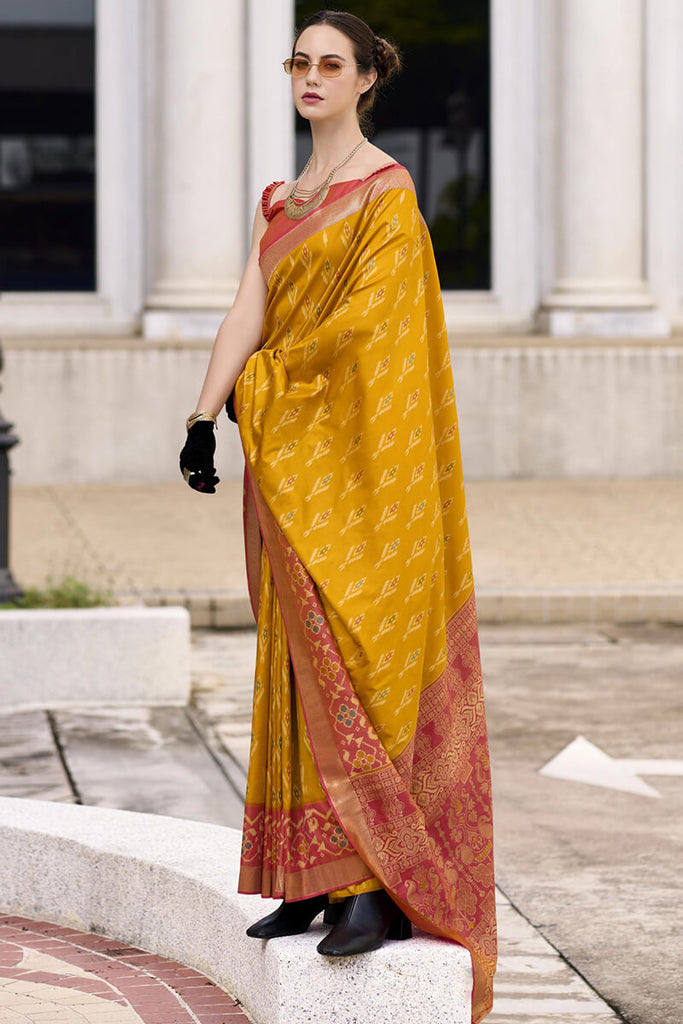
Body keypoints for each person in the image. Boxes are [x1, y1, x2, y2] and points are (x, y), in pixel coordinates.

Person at [180, 9, 497, 1023]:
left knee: (356, 657)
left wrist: (260, 393)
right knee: (292, 656)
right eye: (300, 62)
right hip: (288, 462)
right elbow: (250, 308)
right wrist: (201, 415)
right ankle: (306, 875)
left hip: (363, 475)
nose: (311, 76)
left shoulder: (386, 195)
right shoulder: (282, 200)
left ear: (366, 80)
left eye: (331, 64)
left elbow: (371, 340)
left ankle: (371, 886)